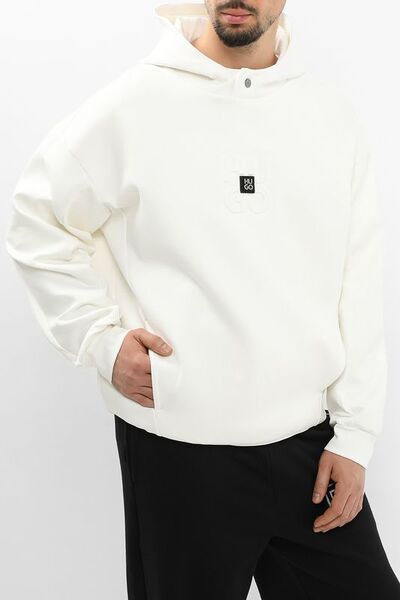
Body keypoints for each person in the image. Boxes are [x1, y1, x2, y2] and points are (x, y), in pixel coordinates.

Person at [5, 1, 400, 598]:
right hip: (177, 450)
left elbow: (360, 281)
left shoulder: (330, 118)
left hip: (309, 445)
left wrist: (356, 436)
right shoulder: (135, 105)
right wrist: (100, 340)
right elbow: (38, 218)